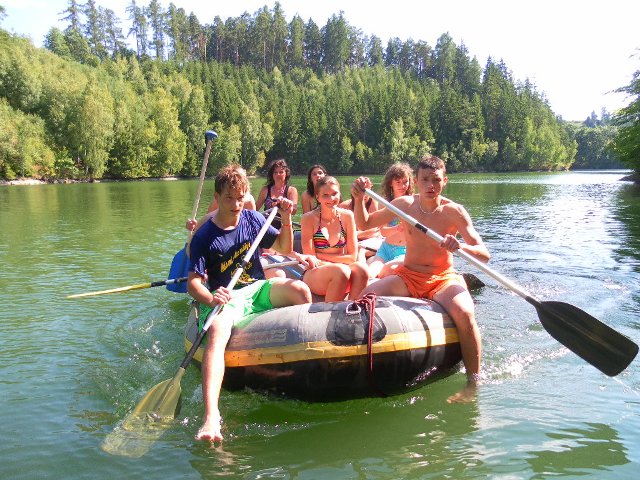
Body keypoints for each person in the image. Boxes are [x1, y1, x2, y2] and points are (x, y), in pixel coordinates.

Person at [187, 164, 312, 443]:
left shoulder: (253, 219)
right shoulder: (205, 236)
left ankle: (298, 368)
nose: (235, 205)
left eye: (240, 198)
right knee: (217, 330)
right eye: (229, 198)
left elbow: (283, 248)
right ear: (217, 197)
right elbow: (193, 283)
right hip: (226, 297)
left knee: (300, 290)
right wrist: (210, 298)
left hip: (256, 288)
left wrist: (286, 217)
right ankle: (211, 417)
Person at [351, 155, 490, 403]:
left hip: (442, 278)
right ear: (416, 181)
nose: (430, 185)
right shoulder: (404, 205)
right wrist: (359, 198)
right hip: (408, 275)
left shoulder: (454, 211)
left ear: (445, 181)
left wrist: (460, 247)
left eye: (436, 180)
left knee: (466, 314)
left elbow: (484, 254)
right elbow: (364, 223)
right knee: (364, 297)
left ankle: (473, 384)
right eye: (425, 179)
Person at [294, 176, 369, 302]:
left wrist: (321, 255)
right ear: (317, 197)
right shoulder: (308, 219)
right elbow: (311, 259)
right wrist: (337, 263)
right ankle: (329, 310)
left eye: (334, 194)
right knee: (340, 271)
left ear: (339, 194)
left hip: (343, 269)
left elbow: (352, 257)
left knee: (362, 269)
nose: (331, 199)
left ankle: (352, 306)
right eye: (325, 195)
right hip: (315, 272)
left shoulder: (347, 216)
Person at [366, 162, 414, 279]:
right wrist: (397, 228)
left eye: (405, 182)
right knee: (370, 275)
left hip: (406, 251)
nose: (402, 186)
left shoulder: (414, 202)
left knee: (388, 272)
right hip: (386, 249)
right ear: (391, 183)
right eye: (398, 182)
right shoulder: (385, 204)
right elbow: (383, 232)